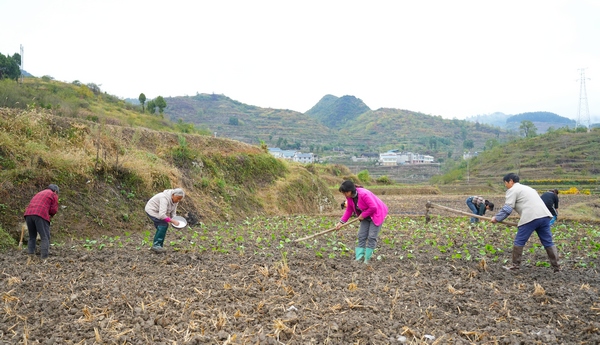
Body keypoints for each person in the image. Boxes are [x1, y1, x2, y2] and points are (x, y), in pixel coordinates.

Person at [491, 173, 560, 272]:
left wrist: (496, 218)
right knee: (548, 242)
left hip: (530, 217)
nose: (505, 185)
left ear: (510, 181)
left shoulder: (512, 190)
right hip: (544, 216)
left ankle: (515, 266)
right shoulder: (529, 189)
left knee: (519, 241)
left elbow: (507, 208)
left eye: (505, 183)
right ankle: (556, 266)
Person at [335, 180, 388, 264]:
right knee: (361, 235)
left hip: (376, 214)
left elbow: (373, 207)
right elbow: (349, 210)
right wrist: (341, 222)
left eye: (345, 193)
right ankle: (359, 258)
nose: (344, 195)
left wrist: (363, 215)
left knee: (371, 236)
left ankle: (367, 259)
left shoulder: (363, 194)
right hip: (365, 215)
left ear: (350, 191)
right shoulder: (349, 197)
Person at [24, 184, 60, 259]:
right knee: (45, 236)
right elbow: (53, 209)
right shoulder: (53, 194)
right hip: (40, 214)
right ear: (56, 191)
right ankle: (44, 257)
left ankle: (30, 255)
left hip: (28, 214)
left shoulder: (39, 193)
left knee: (32, 236)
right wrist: (51, 214)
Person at [145, 188, 185, 252]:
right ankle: (156, 245)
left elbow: (173, 214)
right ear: (173, 195)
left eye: (180, 199)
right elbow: (161, 215)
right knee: (163, 224)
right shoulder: (164, 198)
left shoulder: (175, 201)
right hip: (152, 210)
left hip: (159, 212)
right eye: (178, 198)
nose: (178, 201)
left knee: (163, 225)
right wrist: (172, 221)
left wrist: (176, 222)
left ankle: (159, 245)